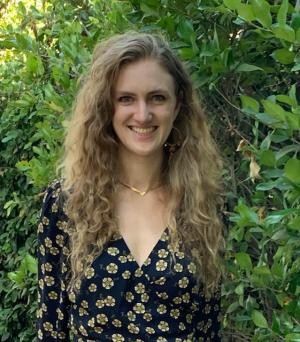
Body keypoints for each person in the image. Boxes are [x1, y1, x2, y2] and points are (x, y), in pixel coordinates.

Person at [36, 31, 224, 341]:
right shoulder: (67, 202)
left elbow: (210, 328)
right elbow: (50, 326)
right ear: (105, 107)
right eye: (126, 99)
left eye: (157, 98)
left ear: (177, 105)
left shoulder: (205, 203)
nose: (143, 114)